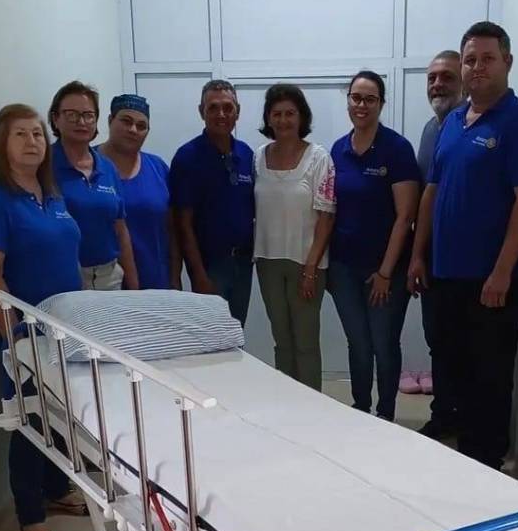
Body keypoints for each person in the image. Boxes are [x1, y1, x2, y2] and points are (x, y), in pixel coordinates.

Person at [409, 22, 518, 470]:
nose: (477, 67)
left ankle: (486, 464)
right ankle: (464, 459)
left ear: (507, 62)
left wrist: (503, 270)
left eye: (487, 58)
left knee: (489, 376)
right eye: (470, 59)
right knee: (453, 370)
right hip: (445, 273)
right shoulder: (452, 122)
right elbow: (432, 191)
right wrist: (418, 254)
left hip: (493, 280)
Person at [0, 104, 86, 531]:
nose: (33, 141)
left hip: (65, 326)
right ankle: (31, 516)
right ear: (2, 143)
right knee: (30, 419)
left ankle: (56, 490)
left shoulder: (51, 195)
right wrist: (12, 336)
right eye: (21, 134)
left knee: (61, 414)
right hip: (25, 332)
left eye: (37, 134)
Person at [329, 70, 420, 421]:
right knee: (358, 343)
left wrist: (384, 272)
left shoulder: (397, 149)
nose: (362, 105)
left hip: (386, 272)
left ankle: (385, 415)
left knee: (383, 344)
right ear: (348, 101)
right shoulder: (338, 149)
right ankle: (360, 411)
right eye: (356, 98)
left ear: (381, 103)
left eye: (370, 99)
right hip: (344, 269)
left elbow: (405, 216)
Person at [253, 84, 336, 390]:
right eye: (277, 114)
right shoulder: (258, 157)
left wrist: (311, 268)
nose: (283, 120)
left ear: (302, 117)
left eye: (290, 113)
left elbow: (326, 216)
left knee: (305, 343)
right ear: (268, 118)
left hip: (306, 264)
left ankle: (311, 406)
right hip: (268, 261)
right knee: (282, 341)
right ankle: (286, 403)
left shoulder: (319, 158)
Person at [408, 51, 464, 440]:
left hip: (465, 263)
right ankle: (443, 415)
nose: (438, 84)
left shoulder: (469, 125)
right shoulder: (431, 129)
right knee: (438, 342)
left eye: (446, 76)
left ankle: (463, 419)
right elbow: (424, 196)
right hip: (430, 258)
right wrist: (417, 255)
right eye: (432, 78)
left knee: (464, 346)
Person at [169, 79, 256, 324]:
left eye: (228, 108)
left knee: (236, 330)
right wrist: (198, 274)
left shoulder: (247, 154)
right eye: (213, 108)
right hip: (209, 265)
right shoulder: (187, 158)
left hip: (243, 262)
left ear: (237, 112)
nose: (221, 114)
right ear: (201, 111)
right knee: (210, 334)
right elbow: (183, 223)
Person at [48, 81, 139, 290]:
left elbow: (120, 229)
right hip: (65, 277)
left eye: (88, 115)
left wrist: (134, 285)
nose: (81, 122)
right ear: (55, 118)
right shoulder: (44, 166)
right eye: (71, 114)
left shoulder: (107, 167)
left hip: (109, 277)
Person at [100, 93, 181, 289]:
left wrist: (175, 278)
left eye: (141, 125)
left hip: (155, 283)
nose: (133, 130)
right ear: (110, 120)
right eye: (126, 121)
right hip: (102, 287)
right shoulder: (89, 166)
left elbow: (173, 230)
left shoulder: (158, 168)